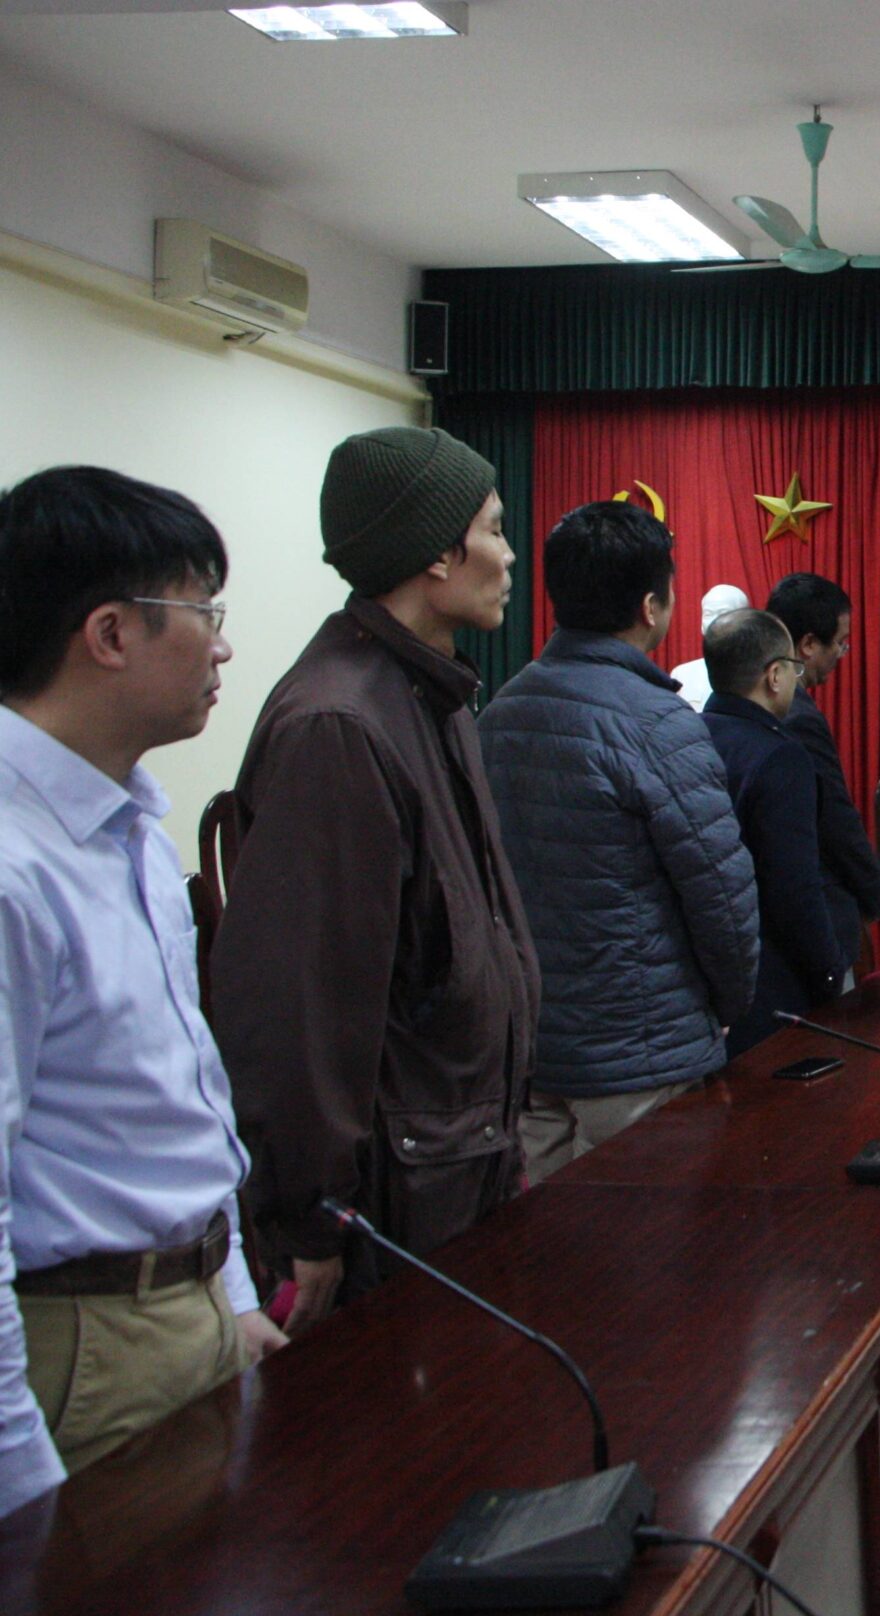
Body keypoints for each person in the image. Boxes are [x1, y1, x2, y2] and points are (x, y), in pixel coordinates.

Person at [0, 468, 289, 1515]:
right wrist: (21, 1481)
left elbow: (180, 1095)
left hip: (185, 1304)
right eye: (205, 612)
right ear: (111, 633)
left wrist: (231, 1295)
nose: (222, 647)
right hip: (83, 1344)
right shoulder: (15, 866)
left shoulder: (126, 822)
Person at [209, 426, 540, 1334]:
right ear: (435, 554)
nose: (510, 554)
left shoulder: (429, 695)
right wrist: (310, 1218)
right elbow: (300, 1003)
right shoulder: (340, 725)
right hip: (390, 1205)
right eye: (494, 529)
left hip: (455, 1163)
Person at [478, 503, 761, 1184]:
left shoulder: (498, 714)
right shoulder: (661, 723)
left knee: (542, 1246)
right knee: (639, 1248)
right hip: (641, 1055)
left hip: (532, 1049)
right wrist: (725, 1008)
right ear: (651, 607)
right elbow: (722, 898)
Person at [703, 610, 846, 1055]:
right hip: (772, 986)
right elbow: (794, 888)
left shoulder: (689, 738)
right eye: (794, 668)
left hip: (707, 980)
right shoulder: (780, 756)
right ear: (774, 676)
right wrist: (830, 971)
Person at [767, 573, 880, 975]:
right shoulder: (797, 715)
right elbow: (834, 817)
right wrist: (875, 895)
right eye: (839, 642)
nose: (842, 653)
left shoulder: (750, 701)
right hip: (810, 916)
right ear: (807, 644)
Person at [670, 582, 749, 712]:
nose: (714, 621)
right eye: (708, 614)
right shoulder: (683, 675)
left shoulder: (758, 675)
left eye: (723, 613)